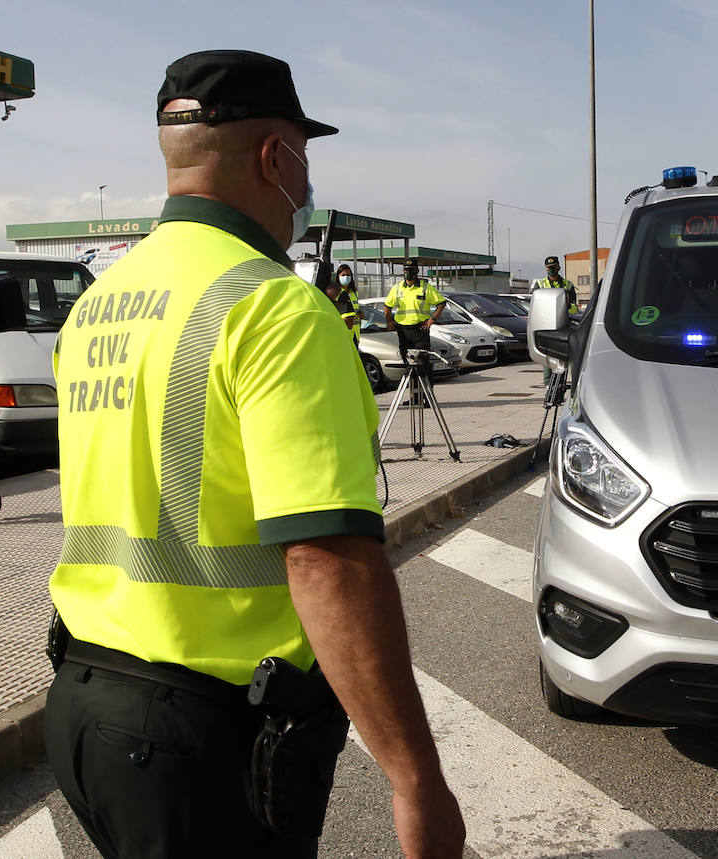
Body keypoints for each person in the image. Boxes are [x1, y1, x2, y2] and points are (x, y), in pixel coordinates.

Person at [44, 50, 465, 858]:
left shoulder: (95, 308)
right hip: (202, 739)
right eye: (305, 159)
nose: (307, 187)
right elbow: (326, 560)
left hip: (82, 707)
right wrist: (416, 781)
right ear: (276, 157)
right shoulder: (274, 308)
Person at [384, 257, 446, 366]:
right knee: (407, 362)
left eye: (412, 270)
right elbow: (387, 306)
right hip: (403, 331)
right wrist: (389, 322)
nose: (409, 272)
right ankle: (411, 383)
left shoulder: (425, 288)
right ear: (404, 271)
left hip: (420, 330)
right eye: (407, 270)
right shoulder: (397, 288)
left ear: (417, 271)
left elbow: (441, 303)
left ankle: (425, 382)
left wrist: (432, 319)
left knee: (423, 363)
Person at [531, 255, 578, 385]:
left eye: (554, 267)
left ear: (559, 267)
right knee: (547, 357)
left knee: (562, 358)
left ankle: (560, 386)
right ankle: (548, 385)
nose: (551, 270)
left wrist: (567, 306)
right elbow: (535, 306)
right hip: (546, 326)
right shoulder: (540, 285)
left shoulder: (568, 285)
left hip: (563, 326)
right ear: (546, 269)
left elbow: (574, 308)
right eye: (549, 267)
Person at [332, 262, 361, 348]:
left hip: (355, 333)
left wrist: (359, 314)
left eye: (348, 275)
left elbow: (356, 309)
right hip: (344, 332)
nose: (346, 277)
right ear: (338, 276)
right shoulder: (336, 293)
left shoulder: (354, 293)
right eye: (343, 275)